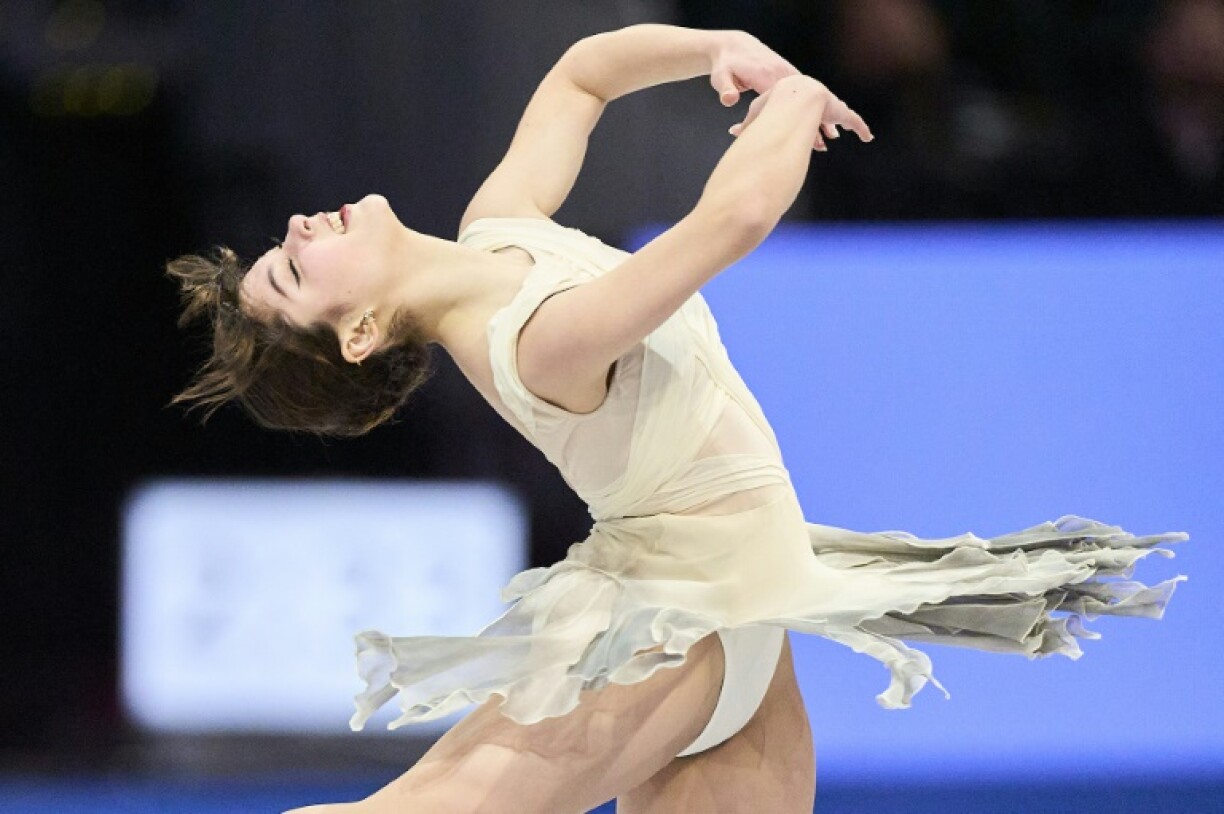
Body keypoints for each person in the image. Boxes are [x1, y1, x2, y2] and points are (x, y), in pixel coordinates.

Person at [168, 24, 1189, 814]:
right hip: (661, 633)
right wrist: (791, 105)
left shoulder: (501, 230)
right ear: (360, 335)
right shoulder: (533, 342)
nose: (300, 227)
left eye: (282, 246)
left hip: (750, 625)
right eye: (297, 270)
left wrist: (717, 49)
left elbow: (580, 75)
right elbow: (732, 221)